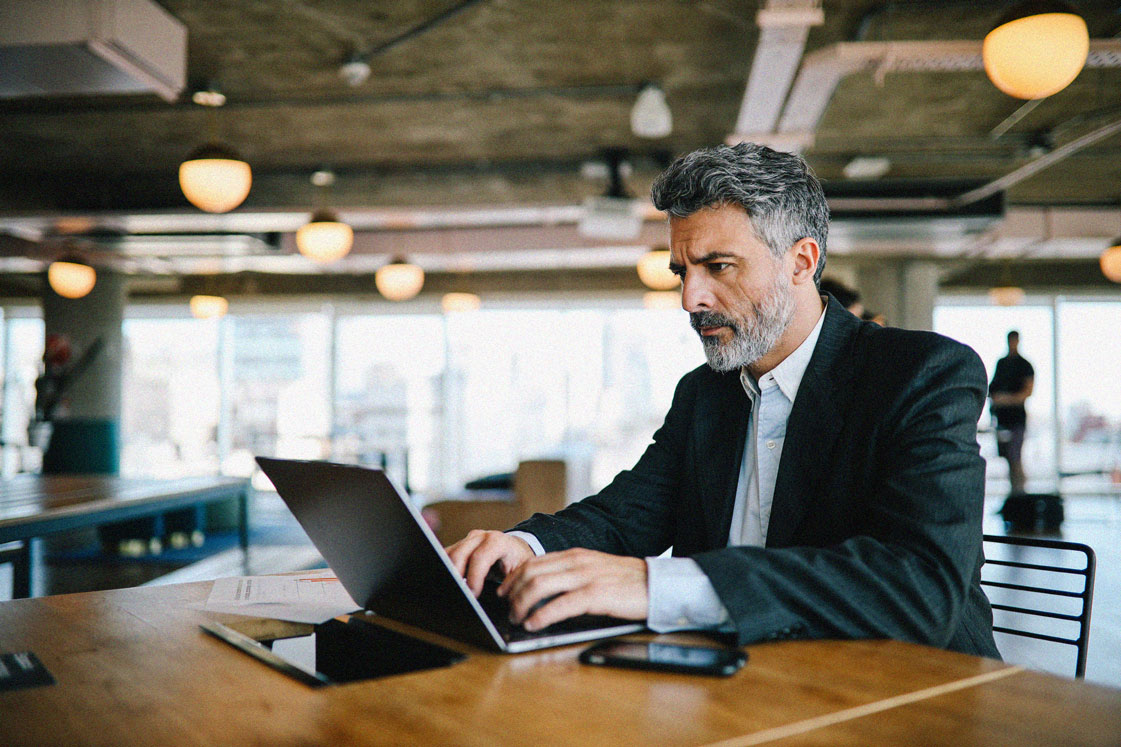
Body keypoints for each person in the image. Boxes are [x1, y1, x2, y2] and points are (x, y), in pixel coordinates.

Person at [448, 143, 999, 658]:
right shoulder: (704, 393)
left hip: (912, 693)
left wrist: (657, 585)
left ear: (801, 263)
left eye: (719, 266)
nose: (692, 298)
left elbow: (919, 588)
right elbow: (626, 515)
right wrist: (526, 545)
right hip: (747, 680)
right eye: (682, 272)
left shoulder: (921, 375)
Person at [989, 330, 1034, 495]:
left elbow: (1027, 392)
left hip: (1017, 420)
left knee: (1015, 458)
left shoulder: (1024, 365)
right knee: (1008, 458)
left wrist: (1005, 399)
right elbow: (992, 388)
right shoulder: (1002, 364)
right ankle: (1014, 497)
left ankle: (1020, 496)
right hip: (1002, 420)